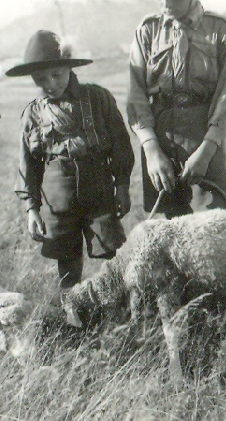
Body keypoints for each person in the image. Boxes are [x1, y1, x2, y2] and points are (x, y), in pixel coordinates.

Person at [126, 0, 226, 218]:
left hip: (204, 141)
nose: (165, 3)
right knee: (167, 238)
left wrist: (206, 151)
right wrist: (151, 150)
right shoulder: (147, 32)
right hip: (160, 143)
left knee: (209, 231)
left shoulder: (220, 30)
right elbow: (136, 95)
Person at [12, 30, 135, 289]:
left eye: (57, 74)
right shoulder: (33, 113)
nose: (51, 84)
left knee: (112, 255)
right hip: (57, 200)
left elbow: (121, 146)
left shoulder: (98, 98)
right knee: (67, 262)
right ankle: (73, 318)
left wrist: (122, 186)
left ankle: (118, 313)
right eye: (40, 78)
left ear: (69, 66)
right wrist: (32, 209)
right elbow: (28, 166)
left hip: (99, 192)